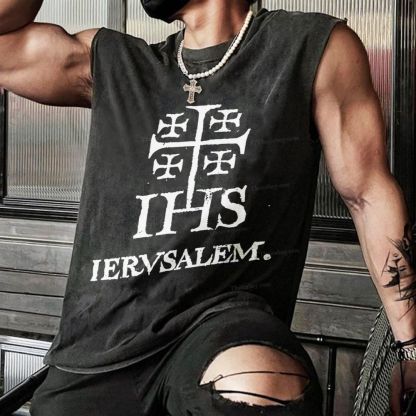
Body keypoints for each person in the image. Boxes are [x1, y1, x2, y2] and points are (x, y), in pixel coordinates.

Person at [0, 0, 415, 415]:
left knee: (261, 383)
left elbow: (367, 194)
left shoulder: (310, 47)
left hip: (223, 326)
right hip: (101, 348)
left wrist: (411, 348)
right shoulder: (115, 63)